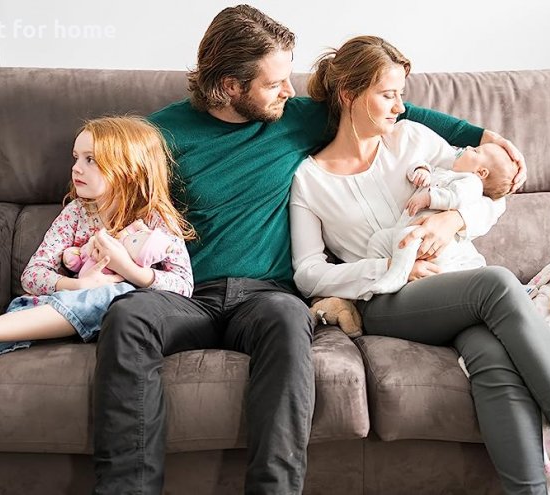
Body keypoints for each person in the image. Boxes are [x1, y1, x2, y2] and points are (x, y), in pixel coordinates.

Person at [91, 5, 527, 495]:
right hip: (187, 293)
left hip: (266, 295)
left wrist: (484, 139)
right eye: (275, 83)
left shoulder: (296, 117)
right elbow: (99, 186)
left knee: (288, 319)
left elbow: (392, 111)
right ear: (231, 86)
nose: (290, 91)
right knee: (127, 316)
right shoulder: (158, 135)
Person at [290, 35, 550, 494]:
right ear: (348, 94)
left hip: (460, 284)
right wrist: (388, 269)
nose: (400, 106)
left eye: (401, 94)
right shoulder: (310, 181)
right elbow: (308, 271)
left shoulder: (413, 139)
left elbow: (488, 195)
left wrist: (454, 219)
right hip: (390, 300)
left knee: (493, 360)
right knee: (496, 283)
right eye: (387, 94)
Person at [0, 116, 194, 395]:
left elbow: (183, 286)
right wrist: (78, 285)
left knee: (116, 294)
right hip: (60, 309)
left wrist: (128, 269)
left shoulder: (156, 218)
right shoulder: (76, 213)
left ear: (129, 170)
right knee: (47, 311)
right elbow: (32, 276)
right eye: (76, 157)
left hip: (123, 320)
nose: (75, 168)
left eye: (90, 159)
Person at [368, 142, 517, 296]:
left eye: (475, 151)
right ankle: (380, 278)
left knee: (409, 237)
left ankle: (397, 276)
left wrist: (429, 198)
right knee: (378, 239)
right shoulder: (446, 171)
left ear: (481, 172)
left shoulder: (472, 182)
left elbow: (456, 197)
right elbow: (425, 169)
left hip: (430, 238)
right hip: (407, 230)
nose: (467, 147)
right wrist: (421, 170)